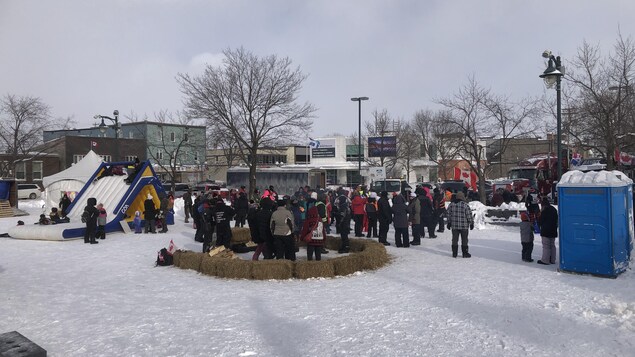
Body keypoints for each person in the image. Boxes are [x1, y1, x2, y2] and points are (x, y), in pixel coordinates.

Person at [446, 191, 474, 258]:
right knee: (464, 239)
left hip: (454, 226)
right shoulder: (465, 205)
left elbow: (448, 214)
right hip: (464, 226)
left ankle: (454, 253)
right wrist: (471, 223)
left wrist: (449, 223)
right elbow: (469, 215)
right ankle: (465, 253)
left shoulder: (451, 205)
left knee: (454, 239)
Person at [537, 197, 558, 265]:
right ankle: (552, 259)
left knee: (546, 246)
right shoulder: (554, 209)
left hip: (545, 231)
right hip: (553, 230)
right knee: (552, 245)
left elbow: (540, 221)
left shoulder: (544, 211)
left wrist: (538, 217)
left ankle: (545, 260)